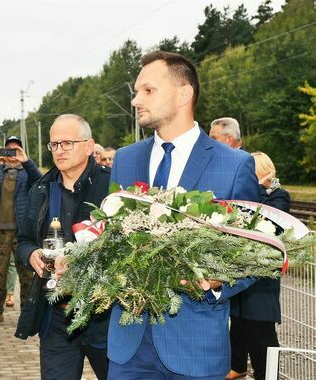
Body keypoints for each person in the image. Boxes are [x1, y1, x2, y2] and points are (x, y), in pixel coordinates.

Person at [109, 51, 260, 379]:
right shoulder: (124, 159)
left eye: (148, 91)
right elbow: (110, 236)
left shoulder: (233, 165)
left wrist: (218, 282)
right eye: (137, 91)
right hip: (128, 348)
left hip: (195, 348)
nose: (136, 100)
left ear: (183, 94)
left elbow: (255, 253)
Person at [16, 114, 111, 379]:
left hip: (104, 316)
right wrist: (31, 254)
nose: (59, 150)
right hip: (56, 315)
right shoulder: (41, 189)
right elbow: (22, 241)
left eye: (67, 143)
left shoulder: (112, 187)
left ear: (89, 146)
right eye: (54, 144)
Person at [226, 152, 290, 380]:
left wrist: (259, 188)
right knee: (240, 324)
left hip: (263, 275)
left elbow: (268, 219)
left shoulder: (279, 195)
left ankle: (267, 375)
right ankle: (238, 366)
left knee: (261, 331)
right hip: (244, 269)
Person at [0, 136, 42, 326]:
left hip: (22, 233)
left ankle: (28, 314)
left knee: (27, 274)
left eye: (16, 150)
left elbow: (39, 181)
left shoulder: (27, 173)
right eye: (8, 150)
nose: (12, 155)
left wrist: (26, 161)